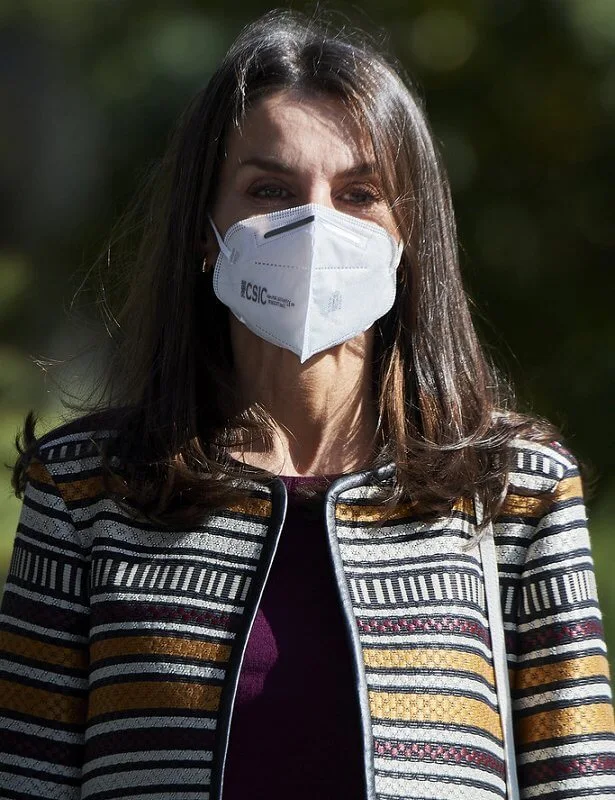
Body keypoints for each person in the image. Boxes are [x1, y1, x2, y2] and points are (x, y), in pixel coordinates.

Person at [0, 9, 613, 800]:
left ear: (408, 234)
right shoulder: (86, 488)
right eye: (269, 190)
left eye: (359, 194)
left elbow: (580, 783)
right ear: (204, 226)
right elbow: (24, 777)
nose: (315, 226)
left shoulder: (511, 492)